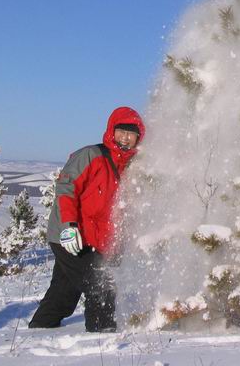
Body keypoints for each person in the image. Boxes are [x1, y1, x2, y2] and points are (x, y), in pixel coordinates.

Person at [29, 106, 145, 333]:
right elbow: (66, 189)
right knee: (100, 285)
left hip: (95, 241)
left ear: (138, 138)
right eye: (121, 131)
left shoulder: (133, 168)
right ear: (111, 131)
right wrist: (68, 226)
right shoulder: (92, 155)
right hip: (71, 235)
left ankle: (40, 328)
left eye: (131, 134)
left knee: (64, 291)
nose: (125, 137)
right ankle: (102, 337)